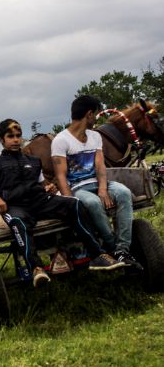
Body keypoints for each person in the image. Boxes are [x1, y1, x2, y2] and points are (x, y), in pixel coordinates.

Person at [0, 119, 123, 288]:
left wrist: (48, 187)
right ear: (1, 140)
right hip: (15, 206)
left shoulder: (33, 161)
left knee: (74, 204)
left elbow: (42, 184)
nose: (15, 140)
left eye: (18, 136)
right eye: (10, 136)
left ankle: (98, 255)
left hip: (39, 201)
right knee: (18, 222)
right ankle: (36, 268)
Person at [51, 95, 141, 269]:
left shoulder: (95, 136)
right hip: (77, 188)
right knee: (92, 203)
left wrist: (103, 189)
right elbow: (61, 176)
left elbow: (100, 167)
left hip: (97, 183)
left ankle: (123, 249)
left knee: (123, 192)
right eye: (97, 114)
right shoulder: (61, 140)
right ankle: (111, 246)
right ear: (89, 114)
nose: (98, 118)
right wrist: (72, 203)